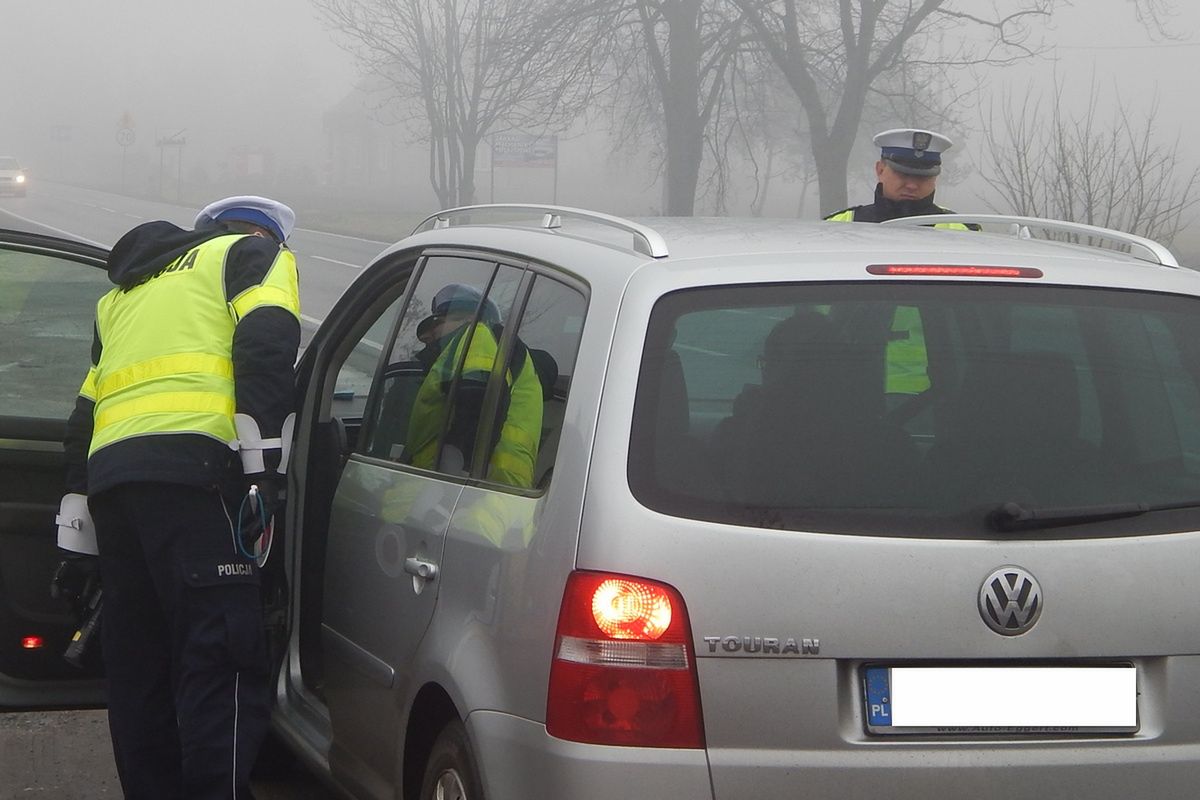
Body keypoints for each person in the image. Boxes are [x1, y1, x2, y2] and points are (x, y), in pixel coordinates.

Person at [54, 195, 301, 799]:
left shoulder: (124, 295)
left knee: (140, 669)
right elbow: (267, 347)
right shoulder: (251, 256)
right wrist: (263, 472)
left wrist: (75, 526)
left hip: (116, 486)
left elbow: (86, 413)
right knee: (221, 659)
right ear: (272, 237)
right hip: (200, 478)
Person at [404, 283, 543, 488]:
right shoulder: (478, 348)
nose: (430, 334)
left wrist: (442, 490)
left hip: (475, 494)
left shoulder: (476, 335)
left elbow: (475, 408)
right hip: (491, 491)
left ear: (469, 319)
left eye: (439, 322)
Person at [824, 128, 979, 230]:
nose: (912, 185)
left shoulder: (964, 231)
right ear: (880, 170)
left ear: (935, 178)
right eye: (903, 174)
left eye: (922, 177)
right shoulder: (837, 226)